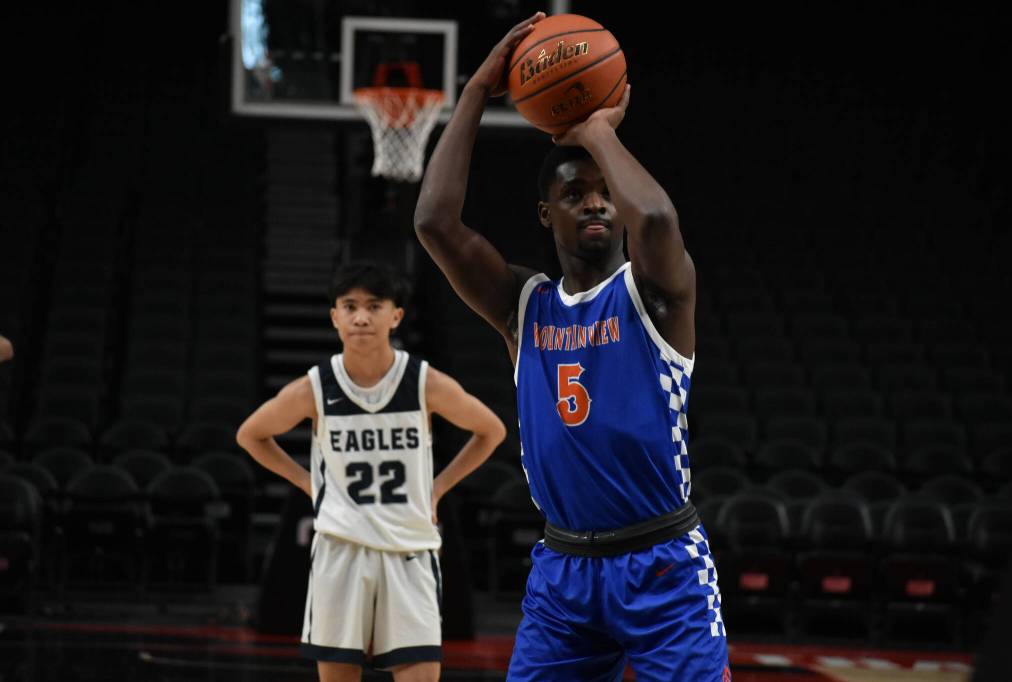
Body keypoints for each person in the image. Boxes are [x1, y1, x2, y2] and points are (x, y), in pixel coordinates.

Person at [414, 13, 730, 682]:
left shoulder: (657, 296)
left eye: (604, 193)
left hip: (663, 564)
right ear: (544, 213)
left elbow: (660, 218)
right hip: (564, 572)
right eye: (573, 193)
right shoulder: (523, 308)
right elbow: (435, 222)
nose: (594, 204)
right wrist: (475, 90)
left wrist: (593, 130)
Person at [236, 262, 507, 682]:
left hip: (409, 548)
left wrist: (437, 490)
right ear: (335, 317)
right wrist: (309, 483)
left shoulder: (422, 381)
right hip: (341, 547)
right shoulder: (316, 385)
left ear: (395, 315)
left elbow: (491, 431)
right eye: (350, 306)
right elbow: (251, 435)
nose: (361, 316)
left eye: (374, 306)